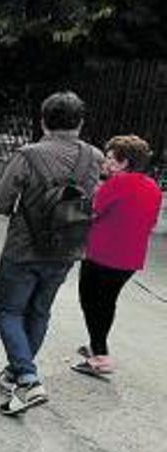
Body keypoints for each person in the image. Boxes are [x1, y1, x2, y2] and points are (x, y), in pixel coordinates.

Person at [0, 91, 103, 415]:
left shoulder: (28, 156)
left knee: (8, 310)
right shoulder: (94, 157)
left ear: (43, 121)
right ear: (80, 123)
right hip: (67, 248)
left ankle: (27, 377)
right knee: (39, 311)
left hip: (23, 248)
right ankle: (16, 374)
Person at [72, 135, 163, 376]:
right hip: (129, 259)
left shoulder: (115, 185)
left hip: (103, 254)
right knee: (106, 301)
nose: (105, 163)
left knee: (90, 301)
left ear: (124, 163)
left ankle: (100, 356)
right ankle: (96, 345)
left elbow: (93, 211)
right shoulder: (153, 187)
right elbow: (151, 223)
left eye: (110, 159)